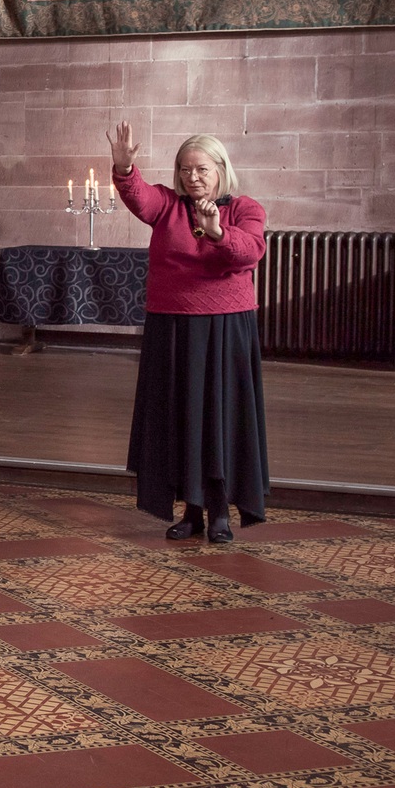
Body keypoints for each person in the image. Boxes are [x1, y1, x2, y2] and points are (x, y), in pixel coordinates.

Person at [109, 122, 270, 543]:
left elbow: (249, 251)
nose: (191, 177)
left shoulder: (245, 209)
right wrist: (125, 167)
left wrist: (216, 231)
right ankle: (191, 510)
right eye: (184, 169)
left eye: (200, 169)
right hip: (172, 325)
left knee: (218, 419)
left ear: (220, 169)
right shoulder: (168, 205)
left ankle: (220, 512)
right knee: (180, 419)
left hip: (224, 326)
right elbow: (138, 197)